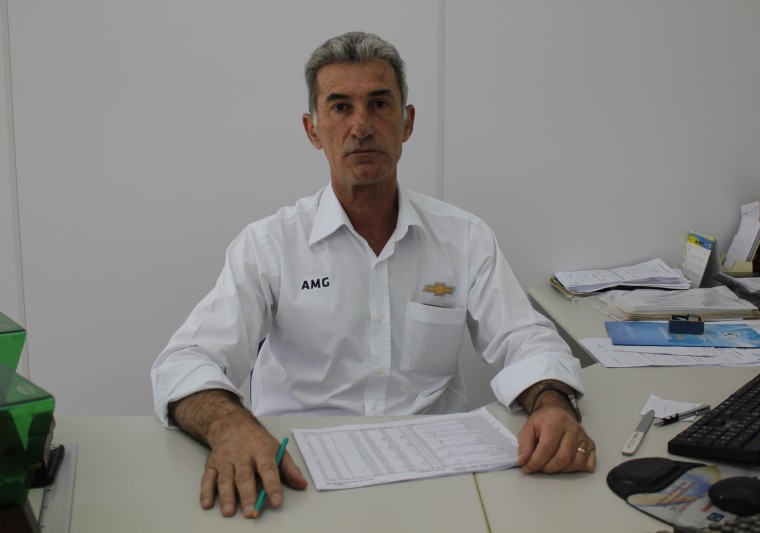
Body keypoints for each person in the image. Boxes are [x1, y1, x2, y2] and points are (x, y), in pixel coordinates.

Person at [151, 31, 596, 520]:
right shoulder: (269, 245)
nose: (361, 126)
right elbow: (185, 361)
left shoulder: (464, 238)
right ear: (313, 129)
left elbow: (525, 340)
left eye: (379, 104)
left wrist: (552, 403)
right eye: (340, 107)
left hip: (436, 477)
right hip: (299, 475)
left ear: (407, 122)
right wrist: (231, 427)